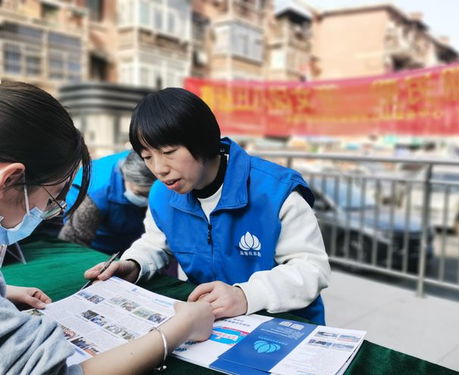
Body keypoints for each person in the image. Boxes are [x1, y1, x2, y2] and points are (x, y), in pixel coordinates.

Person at [0, 81, 214, 375]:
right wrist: (177, 330)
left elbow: (156, 239)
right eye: (54, 197)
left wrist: (4, 291)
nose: (161, 170)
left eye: (169, 152)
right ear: (10, 180)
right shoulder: (98, 196)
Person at [84, 87, 330, 324]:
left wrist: (246, 295)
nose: (159, 169)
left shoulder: (275, 191)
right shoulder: (161, 194)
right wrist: (134, 264)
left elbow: (311, 269)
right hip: (213, 322)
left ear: (202, 140)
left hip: (286, 323)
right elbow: (155, 243)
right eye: (148, 157)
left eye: (168, 151)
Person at [59, 150, 156, 254]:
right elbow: (73, 241)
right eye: (142, 194)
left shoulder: (145, 159)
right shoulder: (95, 194)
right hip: (98, 244)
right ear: (125, 177)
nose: (148, 199)